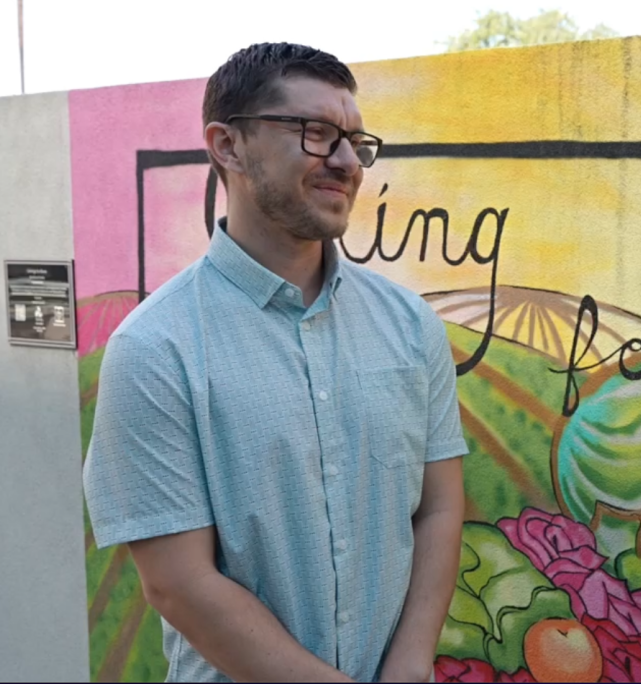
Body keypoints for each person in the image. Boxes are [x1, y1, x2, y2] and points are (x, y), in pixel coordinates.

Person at [82, 42, 468, 683]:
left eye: (355, 141)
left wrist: (409, 662)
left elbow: (438, 508)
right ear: (227, 146)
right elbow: (178, 583)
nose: (346, 162)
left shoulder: (409, 326)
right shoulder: (156, 349)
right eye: (316, 134)